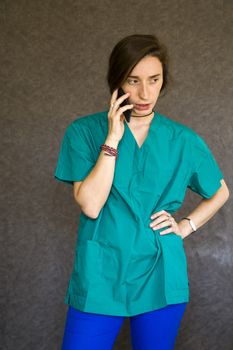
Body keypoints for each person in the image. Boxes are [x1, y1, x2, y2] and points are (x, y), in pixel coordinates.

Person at [54, 34, 230, 350]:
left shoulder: (183, 139)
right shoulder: (82, 132)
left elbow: (220, 192)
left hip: (160, 271)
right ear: (117, 80)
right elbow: (91, 205)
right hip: (101, 272)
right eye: (133, 80)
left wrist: (185, 226)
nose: (144, 93)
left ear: (164, 80)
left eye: (154, 80)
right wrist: (113, 138)